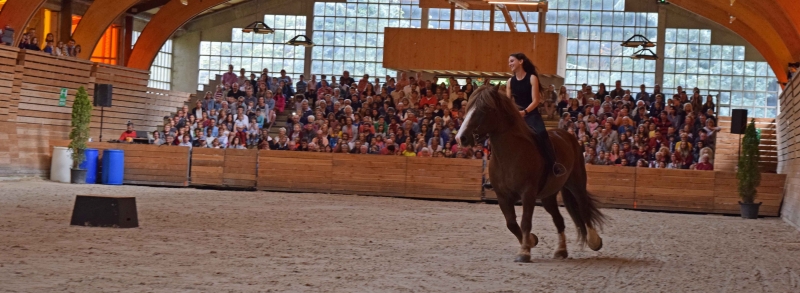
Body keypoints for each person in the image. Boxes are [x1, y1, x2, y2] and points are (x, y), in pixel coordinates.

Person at [487, 53, 566, 190]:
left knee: (542, 134)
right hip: (515, 115)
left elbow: (536, 100)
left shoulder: (532, 78)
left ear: (521, 61)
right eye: (509, 61)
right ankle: (494, 174)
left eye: (512, 61)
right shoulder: (510, 81)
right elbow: (508, 101)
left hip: (531, 114)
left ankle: (554, 165)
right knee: (498, 137)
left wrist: (525, 112)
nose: (510, 63)